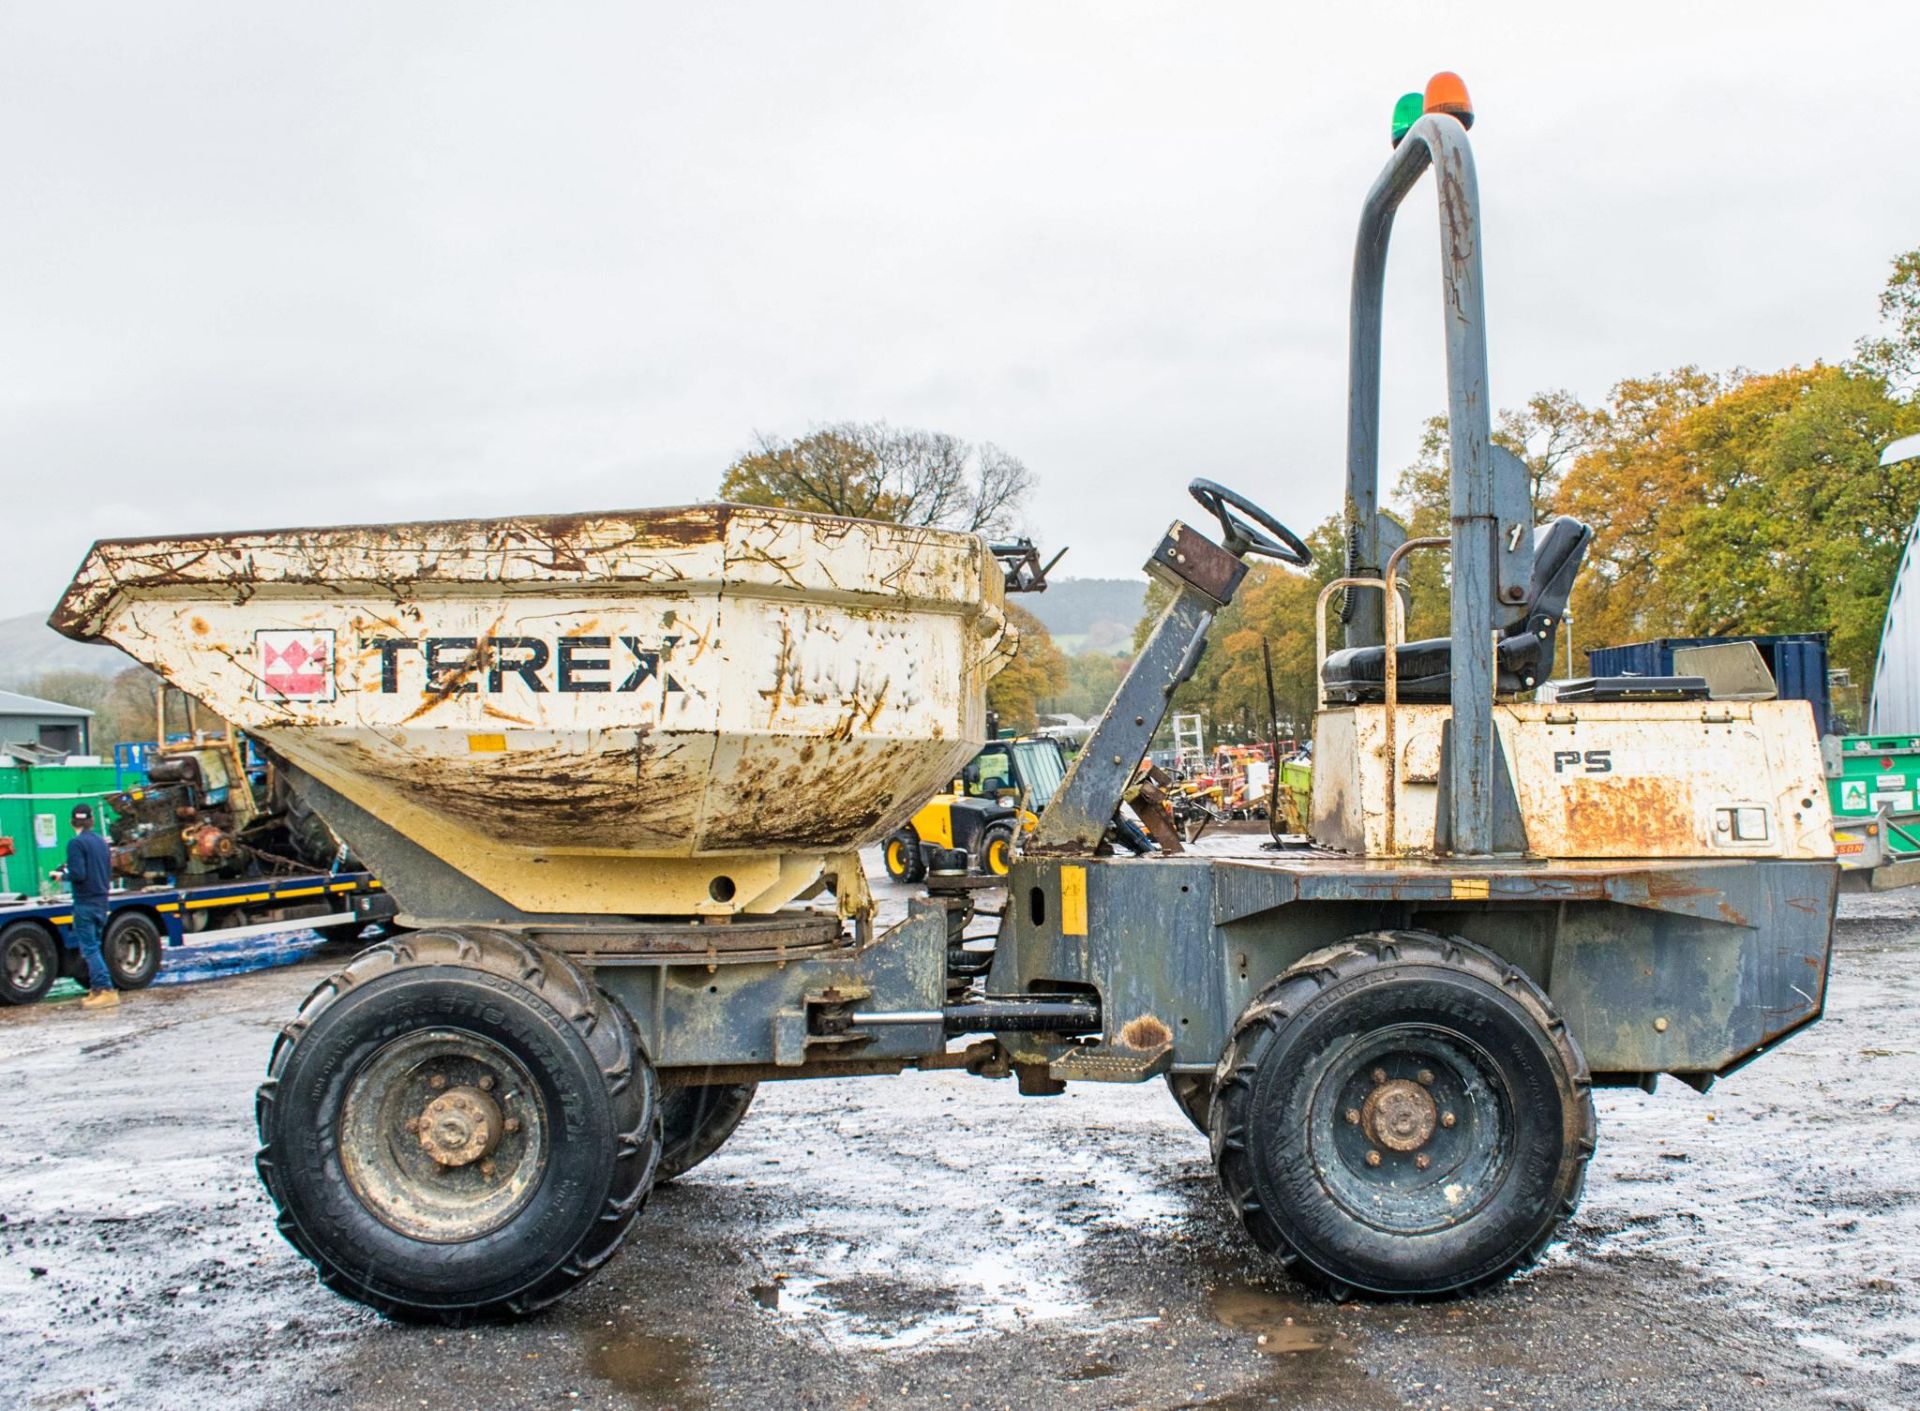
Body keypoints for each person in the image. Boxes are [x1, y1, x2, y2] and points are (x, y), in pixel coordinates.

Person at [65, 804, 119, 1010]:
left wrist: (62, 875)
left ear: (72, 822)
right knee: (95, 945)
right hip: (101, 901)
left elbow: (78, 874)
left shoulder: (75, 844)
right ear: (91, 821)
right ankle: (96, 990)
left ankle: (105, 989)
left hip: (85, 902)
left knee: (90, 949)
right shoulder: (100, 842)